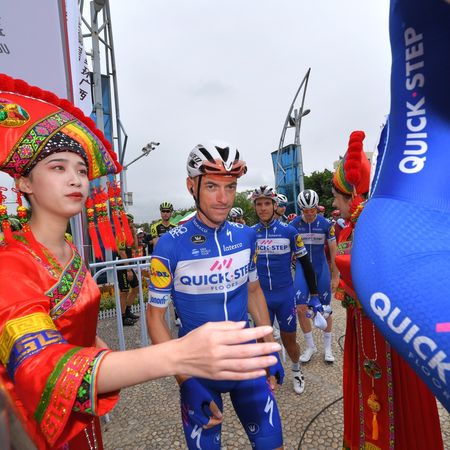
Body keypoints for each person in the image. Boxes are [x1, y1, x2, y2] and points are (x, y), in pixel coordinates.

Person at [0, 75, 281, 450]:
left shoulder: (67, 252)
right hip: (42, 424)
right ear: (24, 183)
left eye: (82, 170)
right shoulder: (13, 263)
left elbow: (81, 337)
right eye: (58, 168)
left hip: (90, 421)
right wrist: (181, 367)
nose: (76, 180)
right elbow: (42, 367)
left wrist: (269, 344)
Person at [147, 142, 285, 450]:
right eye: (212, 186)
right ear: (191, 186)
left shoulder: (246, 237)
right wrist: (184, 379)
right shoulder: (169, 245)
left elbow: (253, 291)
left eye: (230, 187)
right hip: (198, 369)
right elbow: (155, 317)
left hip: (246, 361)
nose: (223, 198)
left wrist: (269, 348)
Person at [332, 130, 443, 449]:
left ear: (351, 195)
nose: (334, 204)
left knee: (395, 404)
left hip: (388, 335)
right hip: (368, 332)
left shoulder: (374, 228)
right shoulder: (353, 229)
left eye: (336, 197)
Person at [251, 185, 321, 395]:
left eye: (267, 203)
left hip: (284, 295)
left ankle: (297, 370)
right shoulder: (250, 234)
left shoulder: (289, 231)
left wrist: (314, 294)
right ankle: (268, 377)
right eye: (259, 204)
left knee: (289, 340)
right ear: (255, 207)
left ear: (275, 205)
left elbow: (306, 263)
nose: (263, 208)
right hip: (261, 297)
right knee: (262, 341)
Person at [290, 189, 339, 363]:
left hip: (321, 268)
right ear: (301, 209)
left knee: (325, 309)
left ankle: (328, 348)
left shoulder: (326, 224)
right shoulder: (294, 225)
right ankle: (310, 346)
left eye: (312, 210)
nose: (310, 213)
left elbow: (333, 251)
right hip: (302, 270)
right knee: (300, 308)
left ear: (317, 208)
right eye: (306, 210)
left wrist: (335, 275)